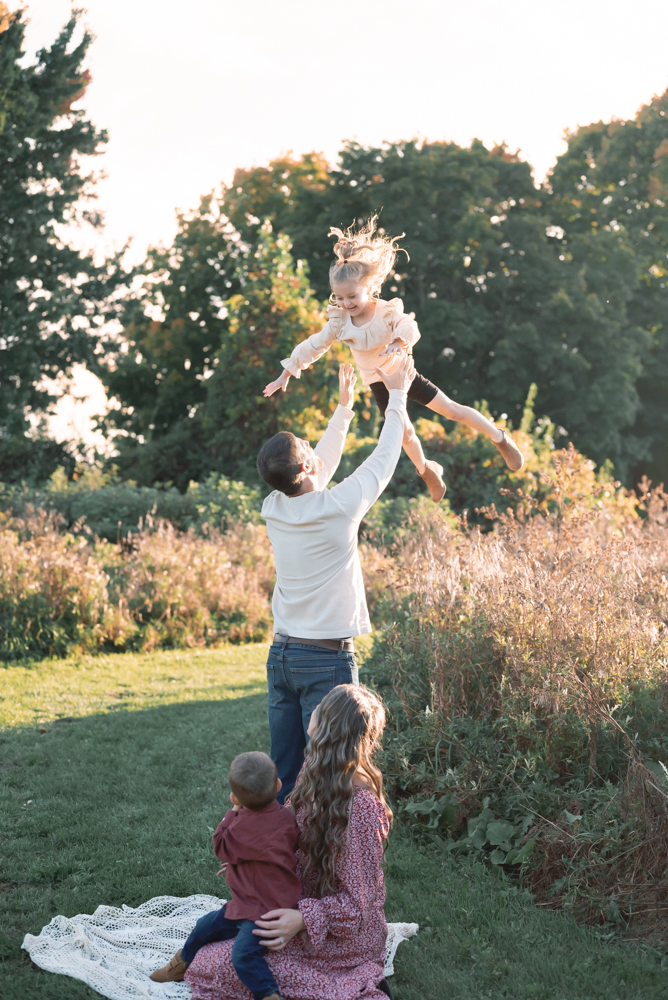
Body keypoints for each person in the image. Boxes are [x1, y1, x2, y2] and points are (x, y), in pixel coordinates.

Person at [264, 216, 524, 503]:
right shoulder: (340, 322)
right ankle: (428, 471)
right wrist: (285, 373)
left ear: (369, 287)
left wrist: (399, 343)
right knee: (405, 434)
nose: (346, 304)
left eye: (352, 296)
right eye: (339, 298)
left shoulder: (385, 311)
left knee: (452, 410)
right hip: (378, 383)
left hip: (402, 374)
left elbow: (409, 327)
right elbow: (313, 345)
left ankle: (499, 437)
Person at [256, 356, 414, 803]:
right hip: (324, 661)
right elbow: (385, 456)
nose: (310, 445)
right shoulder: (338, 506)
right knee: (330, 778)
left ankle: (281, 862)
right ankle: (331, 865)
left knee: (286, 776)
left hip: (282, 657)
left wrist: (344, 411)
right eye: (305, 446)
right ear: (304, 469)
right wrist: (397, 393)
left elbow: (314, 471)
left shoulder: (274, 506)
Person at [185, 684, 395, 1000]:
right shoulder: (315, 769)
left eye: (320, 706)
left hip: (342, 939)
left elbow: (358, 907)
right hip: (296, 901)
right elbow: (285, 832)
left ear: (327, 726)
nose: (312, 710)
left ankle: (354, 980)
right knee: (206, 956)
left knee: (224, 964)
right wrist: (253, 859)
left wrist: (301, 920)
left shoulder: (361, 807)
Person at [150, 751, 300, 1000]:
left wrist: (233, 810)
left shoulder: (238, 828)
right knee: (204, 926)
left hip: (266, 912)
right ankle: (180, 965)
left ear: (234, 797)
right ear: (278, 785)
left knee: (243, 955)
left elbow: (219, 845)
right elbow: (284, 848)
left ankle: (269, 994)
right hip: (249, 902)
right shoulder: (287, 819)